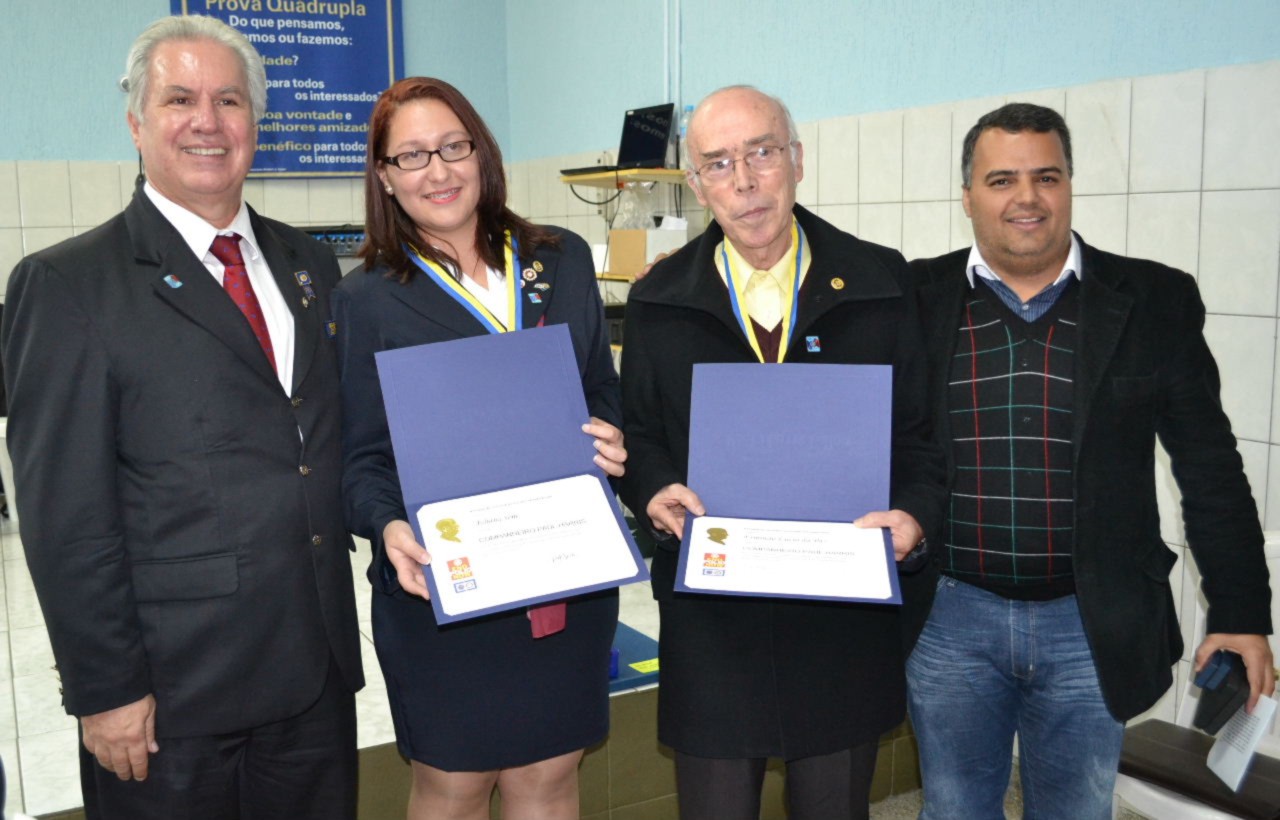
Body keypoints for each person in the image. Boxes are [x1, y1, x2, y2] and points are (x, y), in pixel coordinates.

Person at [1, 15, 363, 819]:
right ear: (137, 124)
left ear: (256, 123)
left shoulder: (309, 264)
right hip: (172, 698)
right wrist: (105, 689)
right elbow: (64, 515)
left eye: (229, 100)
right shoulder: (67, 285)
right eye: (180, 100)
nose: (208, 121)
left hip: (315, 674)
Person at [907, 102, 1276, 819]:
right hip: (950, 619)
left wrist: (1240, 611)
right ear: (968, 196)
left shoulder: (1153, 300)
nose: (1027, 198)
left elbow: (1208, 464)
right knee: (952, 808)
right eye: (1002, 180)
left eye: (1046, 177)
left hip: (1090, 623)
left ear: (1069, 184)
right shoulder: (915, 299)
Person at [618, 85, 946, 820]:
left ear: (797, 159)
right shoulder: (660, 300)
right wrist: (655, 489)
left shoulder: (881, 283)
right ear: (696, 184)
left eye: (761, 153)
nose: (744, 181)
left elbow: (922, 437)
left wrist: (914, 517)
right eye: (718, 163)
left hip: (840, 619)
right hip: (714, 621)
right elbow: (639, 434)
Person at [332, 76, 626, 820]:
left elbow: (600, 387)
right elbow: (360, 456)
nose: (437, 170)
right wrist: (386, 526)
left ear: (482, 153)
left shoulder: (559, 259)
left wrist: (611, 436)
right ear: (384, 177)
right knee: (454, 785)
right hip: (445, 578)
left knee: (551, 775)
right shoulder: (365, 298)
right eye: (411, 156)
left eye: (453, 146)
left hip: (564, 565)